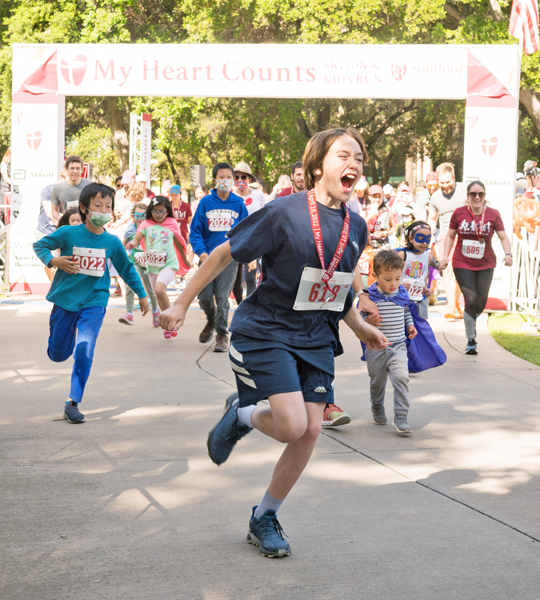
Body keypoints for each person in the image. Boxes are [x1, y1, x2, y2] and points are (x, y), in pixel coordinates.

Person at [159, 128, 388, 559]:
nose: (354, 164)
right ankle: (242, 413)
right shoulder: (283, 212)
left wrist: (359, 327)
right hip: (267, 330)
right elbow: (223, 255)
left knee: (311, 430)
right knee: (290, 425)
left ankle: (264, 515)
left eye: (359, 157)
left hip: (316, 336)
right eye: (344, 155)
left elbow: (335, 289)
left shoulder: (356, 225)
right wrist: (181, 304)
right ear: (318, 164)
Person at [33, 183, 149, 424]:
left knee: (84, 348)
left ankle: (73, 401)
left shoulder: (113, 242)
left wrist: (142, 294)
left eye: (108, 207)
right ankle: (65, 341)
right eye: (98, 206)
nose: (103, 211)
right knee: (57, 354)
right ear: (84, 208)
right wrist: (55, 262)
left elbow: (127, 269)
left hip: (94, 302)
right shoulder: (68, 233)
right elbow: (40, 245)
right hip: (65, 301)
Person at [438, 181, 513, 355]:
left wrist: (508, 254)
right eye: (473, 194)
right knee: (470, 298)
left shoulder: (493, 214)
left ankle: (470, 318)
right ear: (468, 196)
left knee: (480, 303)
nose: (477, 197)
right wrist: (444, 257)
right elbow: (450, 236)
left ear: (485, 196)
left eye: (480, 194)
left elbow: (503, 237)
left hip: (485, 263)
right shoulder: (459, 213)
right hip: (462, 261)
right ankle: (471, 339)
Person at [188, 163, 249, 352]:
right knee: (205, 297)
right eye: (221, 178)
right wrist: (201, 251)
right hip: (207, 258)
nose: (226, 181)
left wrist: (242, 252)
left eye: (229, 177)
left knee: (222, 297)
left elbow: (246, 230)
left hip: (229, 259)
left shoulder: (238, 204)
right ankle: (211, 320)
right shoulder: (205, 202)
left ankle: (222, 334)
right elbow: (195, 231)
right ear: (215, 181)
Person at [362, 250, 423, 433]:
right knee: (377, 382)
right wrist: (367, 322)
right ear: (375, 276)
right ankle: (377, 406)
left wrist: (410, 325)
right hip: (376, 347)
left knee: (401, 377)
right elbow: (360, 318)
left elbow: (405, 310)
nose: (393, 284)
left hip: (398, 345)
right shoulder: (369, 295)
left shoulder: (401, 292)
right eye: (388, 279)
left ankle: (401, 416)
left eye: (397, 278)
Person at [127, 196, 189, 338]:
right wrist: (132, 244)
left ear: (167, 211)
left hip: (169, 264)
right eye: (155, 211)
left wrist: (185, 259)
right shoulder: (146, 224)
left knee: (159, 290)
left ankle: (170, 321)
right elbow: (137, 237)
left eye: (162, 211)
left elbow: (179, 242)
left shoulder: (172, 223)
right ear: (150, 211)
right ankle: (167, 322)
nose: (158, 214)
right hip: (153, 267)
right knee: (158, 295)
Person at [428, 164, 464, 319]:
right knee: (447, 270)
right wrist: (430, 237)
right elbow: (432, 219)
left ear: (454, 178)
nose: (445, 185)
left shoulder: (464, 191)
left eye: (448, 182)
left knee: (460, 273)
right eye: (441, 183)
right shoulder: (435, 197)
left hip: (463, 236)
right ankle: (450, 305)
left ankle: (455, 303)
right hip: (444, 236)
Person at [232, 162, 264, 302]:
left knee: (251, 278)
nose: (240, 181)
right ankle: (240, 306)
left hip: (253, 240)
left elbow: (264, 216)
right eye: (236, 177)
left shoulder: (258, 195)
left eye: (243, 177)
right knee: (236, 281)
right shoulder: (230, 197)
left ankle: (248, 309)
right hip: (234, 241)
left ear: (249, 179)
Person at [119, 201, 153, 325]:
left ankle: (155, 311)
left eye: (143, 216)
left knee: (151, 290)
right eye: (137, 216)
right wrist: (121, 256)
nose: (139, 219)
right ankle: (129, 313)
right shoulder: (130, 229)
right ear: (133, 216)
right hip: (135, 262)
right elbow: (122, 245)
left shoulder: (151, 228)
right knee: (130, 284)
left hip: (150, 264)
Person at [398, 221, 440, 319]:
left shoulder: (428, 256)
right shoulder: (402, 254)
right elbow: (391, 275)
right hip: (403, 296)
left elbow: (425, 275)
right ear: (410, 238)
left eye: (428, 240)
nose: (424, 243)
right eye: (420, 239)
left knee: (421, 324)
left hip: (421, 298)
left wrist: (425, 288)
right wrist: (398, 285)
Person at [49, 155, 89, 227]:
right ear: (66, 170)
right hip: (67, 228)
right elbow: (54, 210)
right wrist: (62, 221)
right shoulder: (58, 188)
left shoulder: (89, 186)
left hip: (85, 228)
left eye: (78, 168)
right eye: (72, 168)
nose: (75, 171)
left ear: (82, 170)